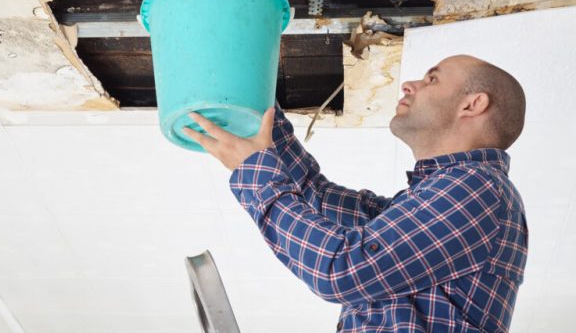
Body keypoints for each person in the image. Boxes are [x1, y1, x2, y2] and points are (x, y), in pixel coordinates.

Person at [184, 54, 528, 332]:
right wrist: (252, 89)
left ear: (472, 104)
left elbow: (341, 269)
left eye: (432, 79)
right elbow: (312, 195)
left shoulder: (477, 188)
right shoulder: (428, 200)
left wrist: (255, 172)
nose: (409, 85)